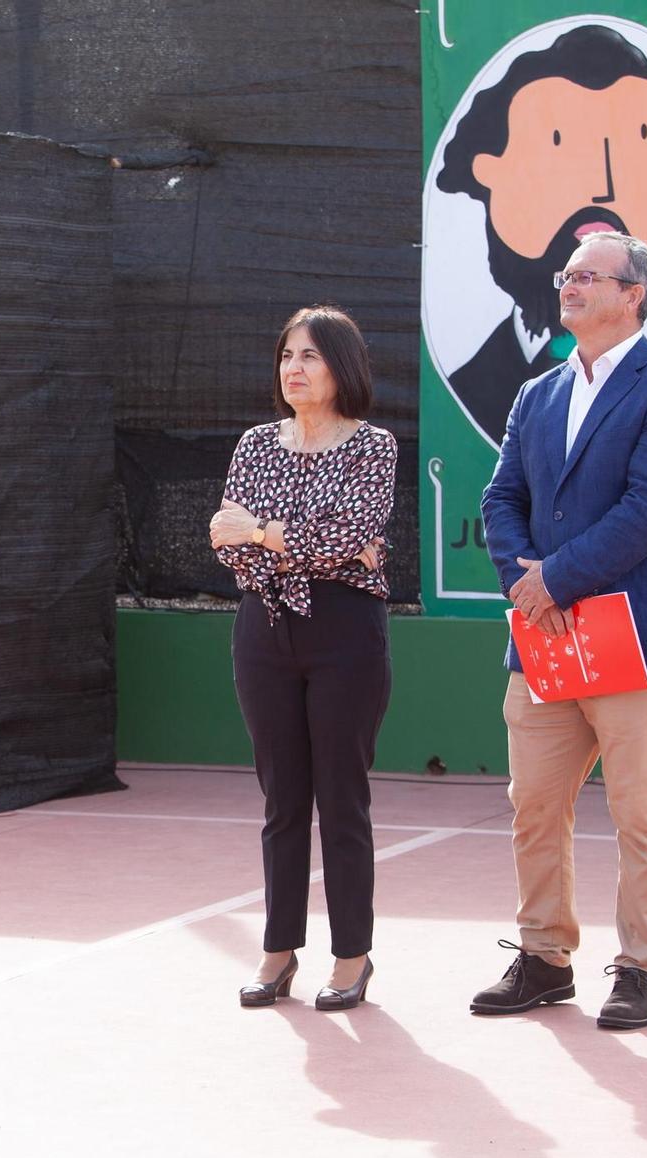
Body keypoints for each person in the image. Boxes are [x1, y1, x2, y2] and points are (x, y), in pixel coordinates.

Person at [474, 230, 647, 1031]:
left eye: (587, 276)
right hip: (544, 637)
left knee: (643, 813)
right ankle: (544, 957)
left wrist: (554, 578)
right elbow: (501, 498)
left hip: (635, 635)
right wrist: (523, 580)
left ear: (633, 294)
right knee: (534, 804)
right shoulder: (535, 393)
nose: (568, 285)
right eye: (565, 275)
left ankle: (641, 967)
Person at [210, 305, 396, 1012]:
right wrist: (294, 542)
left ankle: (351, 957)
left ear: (341, 365)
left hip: (346, 632)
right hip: (264, 628)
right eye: (287, 355)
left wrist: (262, 531)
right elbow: (225, 542)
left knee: (341, 799)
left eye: (311, 356)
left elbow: (352, 531)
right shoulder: (257, 443)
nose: (294, 368)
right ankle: (278, 950)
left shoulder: (372, 446)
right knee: (281, 798)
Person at [432, 22, 647, 444]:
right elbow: (503, 491)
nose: (601, 189)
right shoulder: (504, 398)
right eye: (555, 150)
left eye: (632, 152)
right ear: (486, 169)